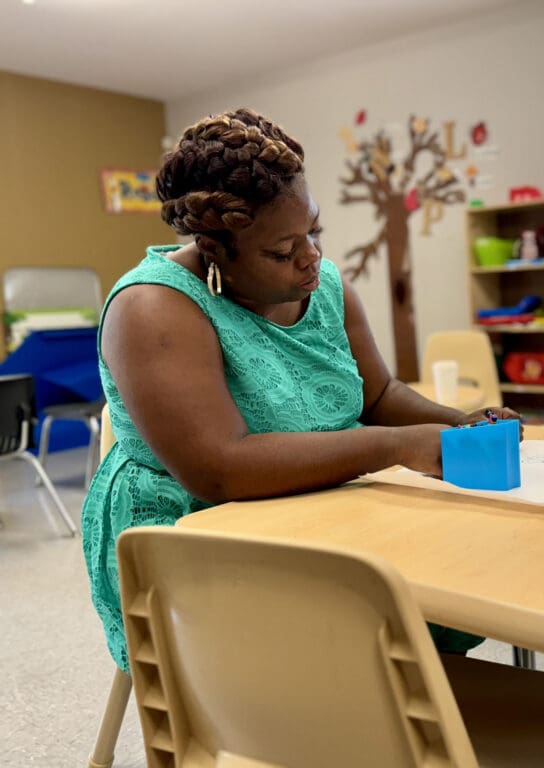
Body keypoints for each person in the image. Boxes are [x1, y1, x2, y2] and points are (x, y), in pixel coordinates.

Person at [82, 108, 515, 672]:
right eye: (282, 252)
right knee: (338, 653)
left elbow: (377, 395)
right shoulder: (153, 308)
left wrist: (458, 423)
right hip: (195, 529)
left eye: (314, 230)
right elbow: (219, 469)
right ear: (214, 250)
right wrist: (398, 447)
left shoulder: (328, 285)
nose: (311, 257)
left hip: (321, 495)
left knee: (453, 567)